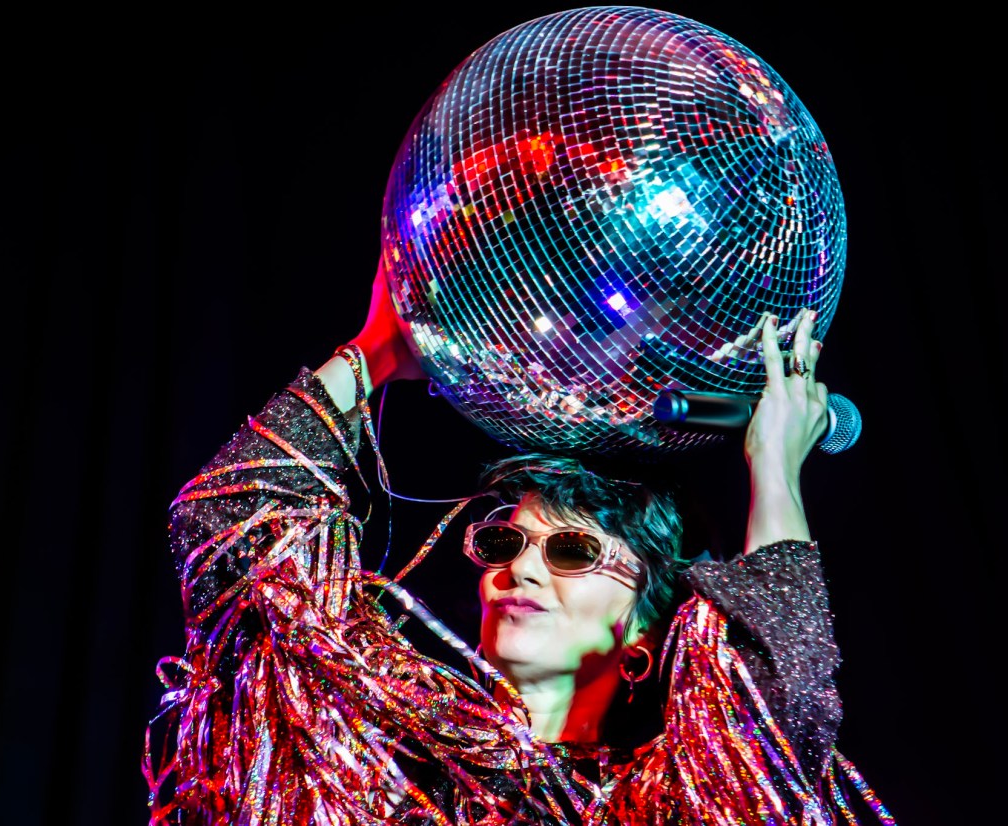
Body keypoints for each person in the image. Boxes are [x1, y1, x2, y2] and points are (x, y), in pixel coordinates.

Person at [143, 255, 894, 824]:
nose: (521, 568)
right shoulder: (385, 765)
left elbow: (776, 696)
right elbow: (232, 534)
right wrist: (377, 351)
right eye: (504, 545)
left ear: (642, 636)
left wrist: (774, 467)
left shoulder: (670, 798)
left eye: (570, 551)